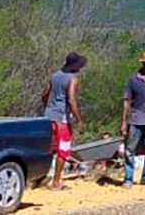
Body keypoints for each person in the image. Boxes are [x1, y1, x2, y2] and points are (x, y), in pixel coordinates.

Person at [41, 52, 87, 191]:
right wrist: (79, 120)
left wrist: (47, 107)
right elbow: (72, 100)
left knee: (48, 148)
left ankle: (41, 177)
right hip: (62, 118)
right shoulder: (72, 79)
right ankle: (56, 182)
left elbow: (44, 93)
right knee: (63, 150)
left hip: (48, 116)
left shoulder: (54, 76)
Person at [121, 51, 145, 188]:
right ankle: (128, 178)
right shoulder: (133, 80)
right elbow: (126, 101)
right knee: (129, 150)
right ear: (143, 64)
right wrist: (124, 123)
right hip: (136, 119)